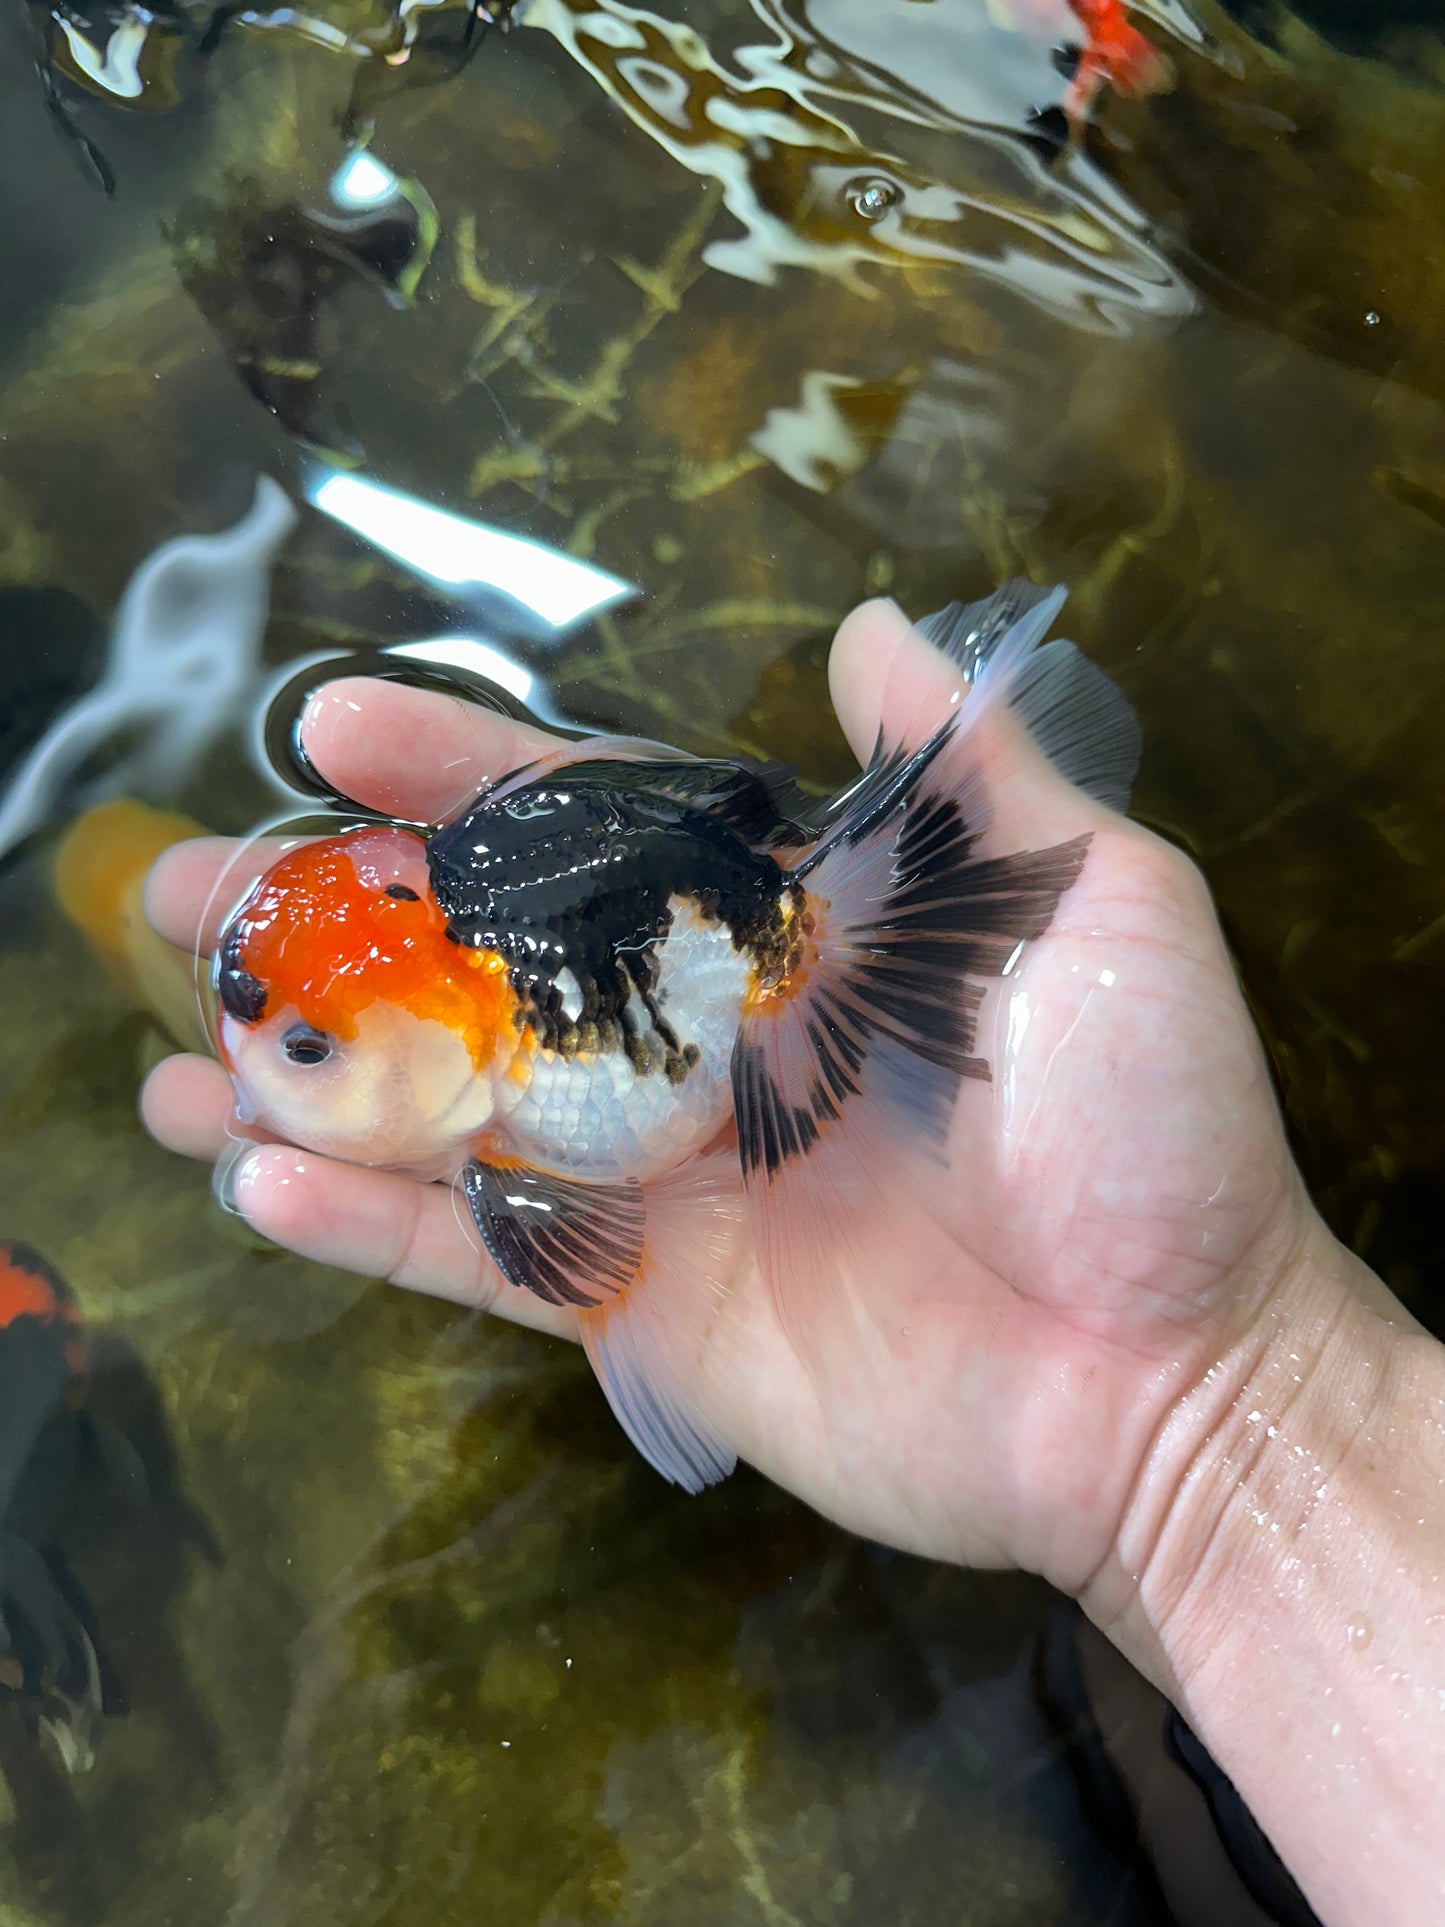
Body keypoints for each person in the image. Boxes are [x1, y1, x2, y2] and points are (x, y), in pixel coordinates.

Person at [140, 597, 1445, 1926]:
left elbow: (601, 1253)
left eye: (308, 1052)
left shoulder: (523, 1120)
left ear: (444, 1021)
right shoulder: (488, 1063)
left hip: (742, 963)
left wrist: (1212, 1402)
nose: (273, 1084)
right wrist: (1225, 1421)